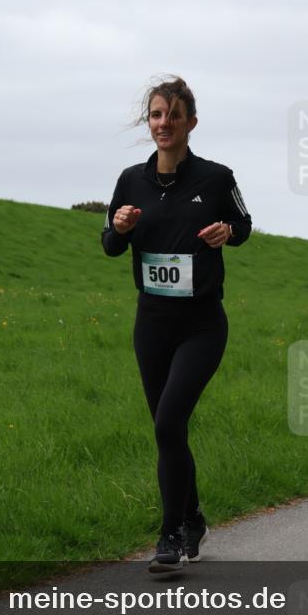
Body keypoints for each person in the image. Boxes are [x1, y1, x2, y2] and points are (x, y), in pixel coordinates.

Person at [101, 76, 252, 574]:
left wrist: (227, 231)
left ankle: (169, 537)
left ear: (191, 122)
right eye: (156, 115)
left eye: (173, 115)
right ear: (149, 122)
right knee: (169, 430)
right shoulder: (130, 180)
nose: (164, 124)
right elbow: (110, 244)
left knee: (169, 422)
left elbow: (244, 227)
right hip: (152, 324)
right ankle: (192, 517)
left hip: (201, 325)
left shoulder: (214, 178)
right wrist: (118, 228)